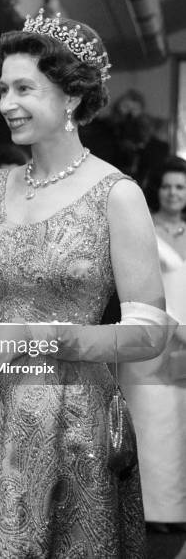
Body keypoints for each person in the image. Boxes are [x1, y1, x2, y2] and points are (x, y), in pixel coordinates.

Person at [0, 10, 174, 557]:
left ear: (71, 98)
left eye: (24, 88)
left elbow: (149, 330)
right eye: (4, 87)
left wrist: (40, 340)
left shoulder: (116, 195)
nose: (6, 102)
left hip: (70, 421)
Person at [120, 156, 186, 533]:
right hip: (151, 341)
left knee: (179, 428)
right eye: (167, 186)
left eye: (180, 186)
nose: (173, 192)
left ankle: (177, 513)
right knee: (148, 425)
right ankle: (144, 512)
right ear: (156, 189)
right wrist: (177, 327)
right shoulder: (144, 229)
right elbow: (141, 284)